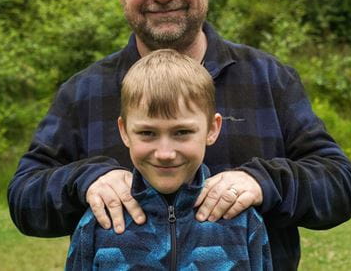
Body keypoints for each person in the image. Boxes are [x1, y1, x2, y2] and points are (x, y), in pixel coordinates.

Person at [8, 0, 351, 269]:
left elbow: (340, 186)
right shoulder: (84, 91)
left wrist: (263, 182)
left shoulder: (269, 79)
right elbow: (24, 198)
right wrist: (83, 181)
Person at [65, 49, 273, 270]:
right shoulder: (98, 222)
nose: (165, 153)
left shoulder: (243, 221)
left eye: (182, 132)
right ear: (124, 131)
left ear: (212, 129)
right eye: (147, 133)